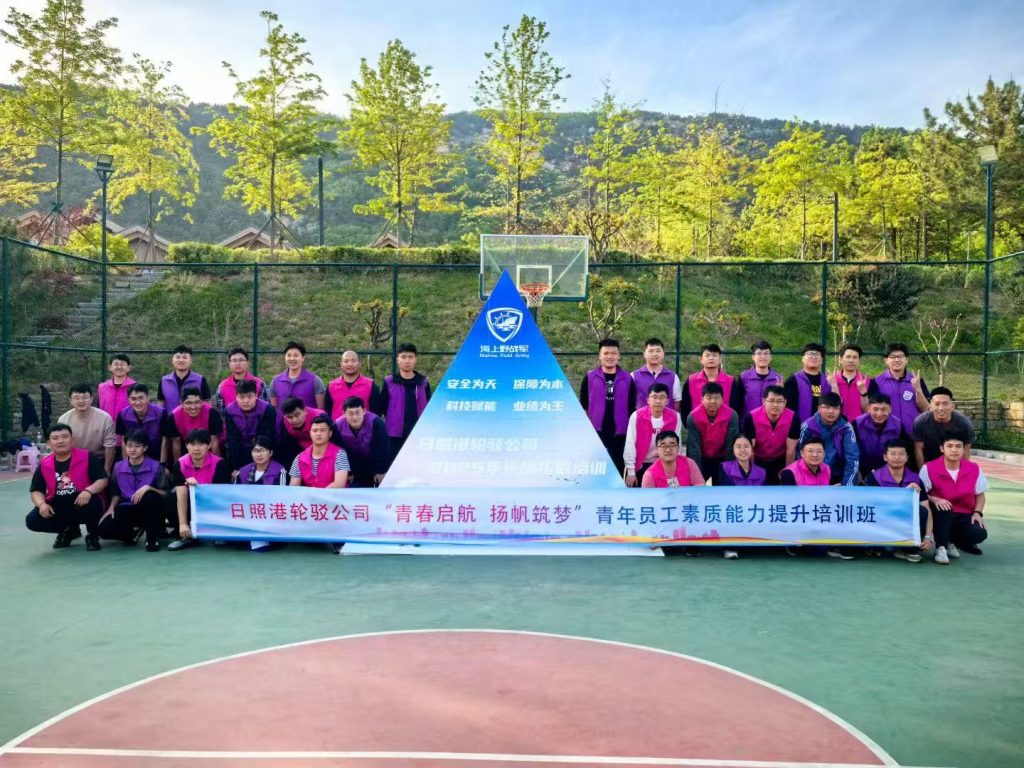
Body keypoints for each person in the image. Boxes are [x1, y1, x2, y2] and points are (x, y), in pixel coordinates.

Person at [26, 424, 108, 551]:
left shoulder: (87, 457)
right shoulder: (44, 464)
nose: (60, 441)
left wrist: (88, 491)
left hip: (82, 501)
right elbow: (36, 490)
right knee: (32, 520)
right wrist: (42, 504)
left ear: (72, 440)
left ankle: (92, 535)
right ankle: (67, 529)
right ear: (49, 443)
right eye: (55, 438)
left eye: (65, 437)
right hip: (59, 504)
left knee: (92, 503)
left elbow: (102, 479)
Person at [99, 430, 173, 552]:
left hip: (151, 509)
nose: (132, 449)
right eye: (129, 445)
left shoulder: (156, 466)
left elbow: (166, 493)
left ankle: (151, 538)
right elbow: (116, 493)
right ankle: (133, 533)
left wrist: (150, 488)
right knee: (103, 530)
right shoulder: (118, 467)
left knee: (150, 496)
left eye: (137, 446)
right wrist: (111, 508)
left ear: (145, 448)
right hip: (127, 508)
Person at [861, 439, 933, 563]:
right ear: (885, 457)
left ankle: (907, 549)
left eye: (901, 454)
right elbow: (872, 507)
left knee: (921, 511)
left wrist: (928, 537)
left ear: (907, 458)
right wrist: (904, 494)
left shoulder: (915, 478)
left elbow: (926, 508)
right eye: (893, 454)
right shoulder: (874, 477)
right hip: (882, 521)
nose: (897, 457)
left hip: (904, 522)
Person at [781, 438, 854, 561]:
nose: (815, 455)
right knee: (815, 551)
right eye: (810, 451)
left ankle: (833, 545)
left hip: (821, 513)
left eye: (819, 451)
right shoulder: (789, 472)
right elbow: (788, 503)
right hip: (799, 515)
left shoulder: (827, 469)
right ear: (802, 453)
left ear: (824, 454)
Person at [920, 436, 989, 565]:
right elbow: (920, 493)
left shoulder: (973, 468)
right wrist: (935, 499)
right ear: (942, 448)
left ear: (963, 449)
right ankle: (941, 548)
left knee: (979, 533)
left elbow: (980, 495)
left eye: (958, 446)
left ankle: (951, 541)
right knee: (945, 508)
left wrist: (977, 513)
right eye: (949, 446)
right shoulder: (929, 468)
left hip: (963, 514)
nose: (954, 450)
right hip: (939, 514)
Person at [167, 429, 232, 551]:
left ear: (209, 445)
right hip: (190, 502)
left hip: (211, 502)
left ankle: (218, 532)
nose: (196, 449)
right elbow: (181, 496)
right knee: (171, 497)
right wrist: (183, 524)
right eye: (192, 444)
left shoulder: (220, 463)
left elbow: (221, 495)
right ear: (187, 446)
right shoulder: (179, 464)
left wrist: (198, 487)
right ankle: (185, 536)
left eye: (201, 444)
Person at [579, 339, 635, 477]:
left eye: (613, 353)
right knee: (596, 471)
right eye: (606, 353)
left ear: (619, 355)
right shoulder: (590, 377)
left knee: (617, 472)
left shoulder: (627, 378)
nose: (610, 356)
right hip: (597, 432)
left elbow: (632, 407)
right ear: (600, 355)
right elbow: (584, 406)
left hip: (620, 434)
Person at [716, 434, 766, 559]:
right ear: (733, 450)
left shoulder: (762, 472)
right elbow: (726, 495)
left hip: (753, 509)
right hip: (734, 510)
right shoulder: (724, 467)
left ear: (752, 448)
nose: (742, 450)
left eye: (746, 446)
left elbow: (764, 497)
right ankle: (729, 546)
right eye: (738, 447)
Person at [234, 435, 288, 553]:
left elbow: (281, 497)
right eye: (255, 451)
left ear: (270, 452)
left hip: (269, 513)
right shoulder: (242, 472)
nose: (258, 454)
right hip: (247, 513)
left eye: (262, 450)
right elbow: (234, 496)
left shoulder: (280, 471)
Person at [380, 343, 432, 464]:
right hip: (394, 434)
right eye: (403, 357)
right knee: (394, 466)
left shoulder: (423, 382)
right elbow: (383, 407)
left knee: (417, 466)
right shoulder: (389, 381)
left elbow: (429, 407)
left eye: (410, 357)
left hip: (418, 434)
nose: (407, 361)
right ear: (397, 359)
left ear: (415, 359)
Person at [624, 383, 681, 487]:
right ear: (648, 400)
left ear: (667, 401)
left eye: (662, 397)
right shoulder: (636, 416)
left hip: (664, 464)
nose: (658, 401)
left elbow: (677, 446)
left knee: (669, 494)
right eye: (654, 397)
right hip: (641, 464)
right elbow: (630, 444)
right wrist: (631, 472)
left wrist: (675, 469)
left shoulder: (675, 417)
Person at [867, 342, 929, 437]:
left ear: (906, 359)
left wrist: (918, 390)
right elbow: (871, 410)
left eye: (900, 356)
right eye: (893, 357)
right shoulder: (876, 381)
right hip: (887, 435)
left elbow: (926, 409)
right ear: (886, 360)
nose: (897, 359)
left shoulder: (917, 380)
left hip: (914, 434)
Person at [798, 392, 860, 486]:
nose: (831, 411)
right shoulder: (808, 426)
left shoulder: (846, 428)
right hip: (813, 475)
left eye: (835, 408)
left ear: (840, 410)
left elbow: (852, 458)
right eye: (827, 407)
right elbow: (799, 455)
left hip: (839, 476)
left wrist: (847, 487)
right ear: (819, 408)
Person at [742, 385, 799, 485]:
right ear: (764, 401)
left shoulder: (793, 418)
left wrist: (787, 472)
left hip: (781, 459)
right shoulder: (751, 417)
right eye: (771, 401)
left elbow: (791, 449)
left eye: (779, 401)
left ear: (785, 402)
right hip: (758, 459)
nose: (775, 405)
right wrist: (752, 470)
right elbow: (750, 448)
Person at [685, 381, 739, 483]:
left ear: (722, 399)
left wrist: (728, 470)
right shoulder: (693, 417)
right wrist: (697, 473)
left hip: (722, 457)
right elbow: (694, 448)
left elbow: (731, 446)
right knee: (697, 486)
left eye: (717, 398)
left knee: (723, 487)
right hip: (702, 457)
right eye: (709, 398)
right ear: (702, 399)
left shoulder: (732, 416)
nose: (713, 401)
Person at [58, 382, 116, 473]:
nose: (81, 401)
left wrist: (106, 470)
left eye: (84, 397)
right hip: (73, 461)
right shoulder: (63, 420)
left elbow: (110, 446)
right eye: (77, 398)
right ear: (71, 401)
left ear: (91, 399)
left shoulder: (105, 418)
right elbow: (61, 445)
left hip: (98, 459)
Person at [912, 387, 975, 467]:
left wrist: (962, 472)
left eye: (945, 404)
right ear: (930, 406)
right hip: (929, 464)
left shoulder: (964, 424)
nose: (941, 408)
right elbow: (918, 449)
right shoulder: (920, 422)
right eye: (937, 404)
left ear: (952, 406)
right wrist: (922, 472)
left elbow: (966, 452)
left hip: (953, 465)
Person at [334, 396, 389, 487]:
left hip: (374, 462)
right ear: (344, 413)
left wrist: (381, 470)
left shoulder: (376, 423)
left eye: (357, 412)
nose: (354, 417)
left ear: (364, 411)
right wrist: (347, 472)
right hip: (353, 465)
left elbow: (382, 448)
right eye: (350, 413)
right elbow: (338, 451)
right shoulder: (338, 426)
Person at [224, 379, 277, 473]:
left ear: (256, 395)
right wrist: (237, 467)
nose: (245, 401)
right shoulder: (229, 411)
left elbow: (267, 437)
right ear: (236, 396)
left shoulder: (267, 409)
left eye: (249, 396)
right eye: (241, 397)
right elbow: (233, 440)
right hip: (240, 452)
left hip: (262, 450)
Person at [289, 415, 350, 489]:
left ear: (330, 433)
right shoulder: (299, 458)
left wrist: (317, 493)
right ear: (310, 433)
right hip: (310, 496)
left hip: (335, 496)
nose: (318, 434)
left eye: (322, 430)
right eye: (315, 430)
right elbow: (293, 487)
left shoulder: (340, 454)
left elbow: (339, 484)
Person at [852, 393, 906, 476]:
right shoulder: (857, 424)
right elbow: (851, 451)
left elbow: (905, 450)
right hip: (861, 469)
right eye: (875, 409)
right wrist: (857, 473)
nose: (879, 414)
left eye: (884, 409)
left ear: (890, 409)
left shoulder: (898, 425)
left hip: (889, 470)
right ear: (868, 409)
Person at [679, 343, 742, 414]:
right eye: (707, 355)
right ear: (701, 359)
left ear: (720, 359)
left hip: (725, 420)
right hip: (697, 420)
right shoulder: (691, 381)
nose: (711, 358)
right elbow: (685, 407)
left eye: (715, 355)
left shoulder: (730, 381)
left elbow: (736, 406)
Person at [115, 383, 169, 462]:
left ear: (148, 398)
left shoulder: (161, 413)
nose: (138, 402)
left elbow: (165, 441)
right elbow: (124, 442)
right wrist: (126, 464)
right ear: (129, 400)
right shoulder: (123, 415)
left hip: (155, 457)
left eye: (141, 398)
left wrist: (162, 464)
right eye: (133, 399)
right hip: (133, 458)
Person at [167, 387, 224, 461]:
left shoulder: (212, 413)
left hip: (208, 448)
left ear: (202, 402)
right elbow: (176, 444)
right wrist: (178, 465)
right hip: (187, 450)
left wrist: (218, 464)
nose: (193, 407)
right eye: (188, 403)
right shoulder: (173, 417)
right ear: (181, 403)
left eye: (197, 402)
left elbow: (214, 441)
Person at [783, 343, 832, 424]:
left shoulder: (827, 382)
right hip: (798, 426)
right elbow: (787, 407)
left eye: (817, 354)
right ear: (802, 358)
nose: (813, 357)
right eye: (810, 354)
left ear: (822, 360)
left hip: (821, 427)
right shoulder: (793, 380)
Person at [270, 341, 326, 411]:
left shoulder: (315, 381)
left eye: (296, 355)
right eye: (289, 355)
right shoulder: (276, 381)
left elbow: (321, 409)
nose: (292, 358)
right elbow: (273, 409)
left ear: (303, 358)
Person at [325, 350, 380, 419]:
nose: (350, 364)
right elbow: (327, 412)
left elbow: (376, 413)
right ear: (341, 364)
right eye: (346, 361)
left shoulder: (370, 385)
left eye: (353, 361)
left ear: (359, 363)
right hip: (337, 426)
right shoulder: (331, 386)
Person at [739, 340, 784, 422]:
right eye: (759, 353)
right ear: (753, 357)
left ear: (771, 357)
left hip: (769, 424)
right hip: (748, 423)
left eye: (766, 353)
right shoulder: (744, 377)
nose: (763, 357)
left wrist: (781, 391)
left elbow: (782, 404)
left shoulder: (778, 379)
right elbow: (738, 402)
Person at [631, 338, 682, 411]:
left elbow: (677, 402)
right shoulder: (634, 376)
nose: (654, 354)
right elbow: (628, 401)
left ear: (663, 353)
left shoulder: (673, 377)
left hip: (667, 418)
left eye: (658, 351)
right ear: (644, 354)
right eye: (651, 351)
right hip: (641, 418)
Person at [276, 398, 326, 471]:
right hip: (300, 448)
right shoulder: (285, 422)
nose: (294, 420)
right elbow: (286, 444)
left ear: (305, 411)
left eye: (297, 415)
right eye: (290, 417)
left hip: (323, 448)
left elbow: (334, 441)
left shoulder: (321, 417)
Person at [158, 344, 211, 412]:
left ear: (191, 360)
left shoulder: (200, 380)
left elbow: (207, 405)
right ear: (172, 360)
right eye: (177, 357)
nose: (181, 360)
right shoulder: (164, 381)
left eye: (185, 357)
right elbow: (161, 405)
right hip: (170, 419)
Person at [215, 347, 266, 411]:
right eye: (234, 361)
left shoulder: (259, 384)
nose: (237, 364)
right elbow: (221, 412)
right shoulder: (222, 386)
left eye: (241, 360)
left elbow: (264, 409)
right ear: (229, 364)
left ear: (247, 363)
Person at [827, 343, 869, 422]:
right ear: (840, 359)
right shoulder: (830, 381)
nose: (851, 360)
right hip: (836, 426)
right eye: (848, 357)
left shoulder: (867, 381)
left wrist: (863, 393)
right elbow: (830, 408)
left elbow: (868, 411)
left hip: (859, 426)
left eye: (855, 357)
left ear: (859, 360)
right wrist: (834, 386)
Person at [97, 354, 135, 431]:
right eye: (116, 364)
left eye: (122, 364)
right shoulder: (102, 387)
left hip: (128, 430)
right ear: (110, 367)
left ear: (129, 368)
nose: (119, 367)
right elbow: (98, 409)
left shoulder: (135, 387)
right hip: (105, 430)